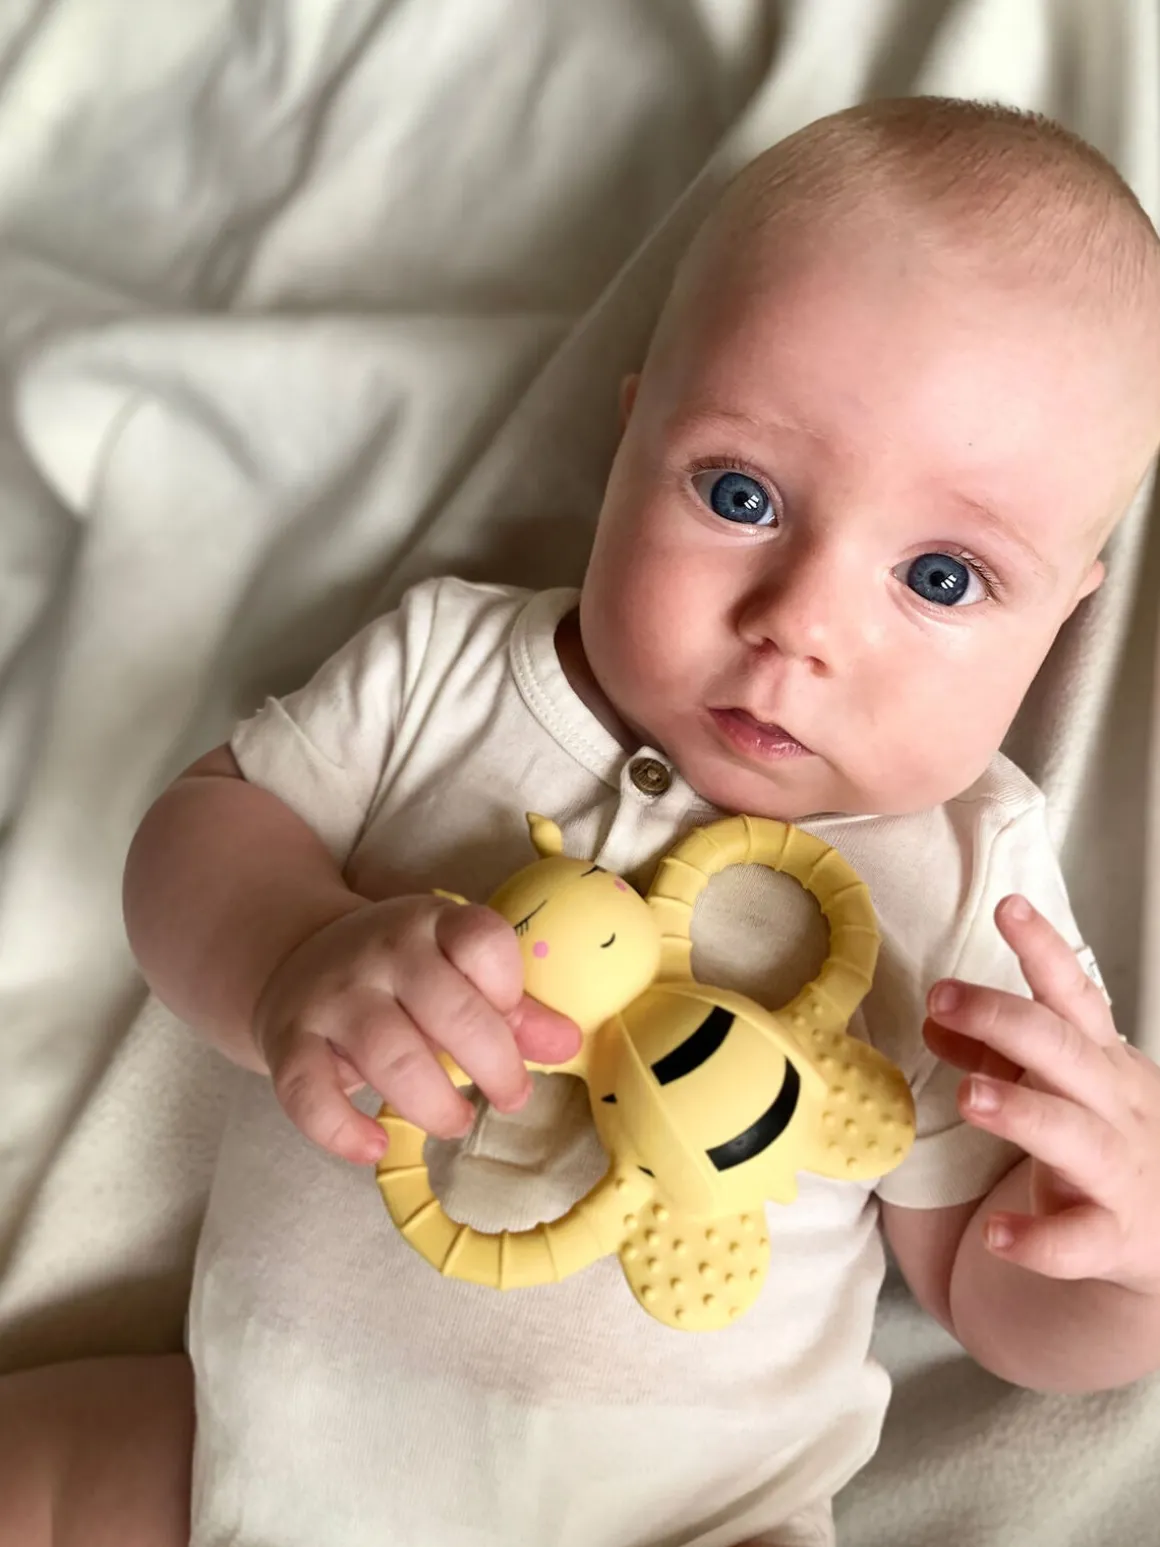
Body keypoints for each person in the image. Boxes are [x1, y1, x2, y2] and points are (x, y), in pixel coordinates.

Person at [4, 95, 1160, 1547]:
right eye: (740, 493)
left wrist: (1124, 1266)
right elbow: (200, 834)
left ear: (1062, 614)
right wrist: (289, 952)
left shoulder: (967, 885)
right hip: (250, 1456)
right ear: (630, 439)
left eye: (941, 578)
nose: (799, 623)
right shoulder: (447, 672)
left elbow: (985, 1293)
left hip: (686, 1520)